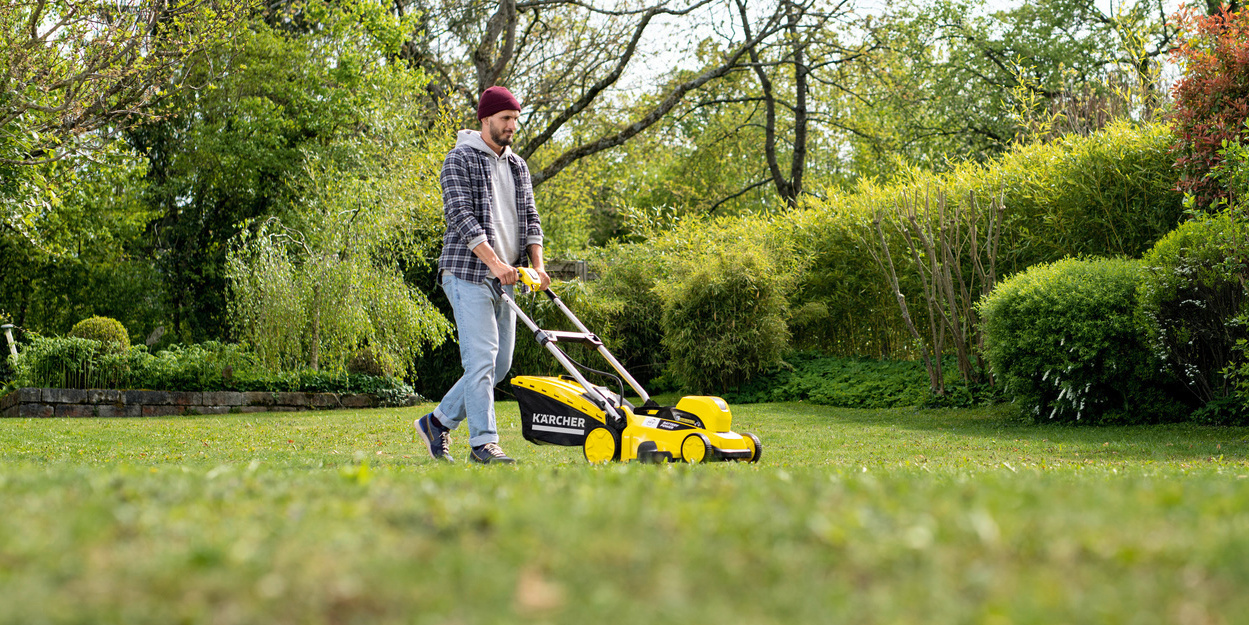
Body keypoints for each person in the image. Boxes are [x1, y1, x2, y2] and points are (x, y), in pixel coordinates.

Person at [415, 86, 550, 464]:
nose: (512, 126)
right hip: (467, 273)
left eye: (515, 120)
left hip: (507, 279)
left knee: (499, 364)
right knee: (481, 360)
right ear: (485, 118)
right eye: (506, 119)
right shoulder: (459, 159)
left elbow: (531, 219)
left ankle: (437, 422)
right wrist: (495, 264)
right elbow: (460, 217)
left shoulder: (518, 165)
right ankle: (483, 444)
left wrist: (536, 266)